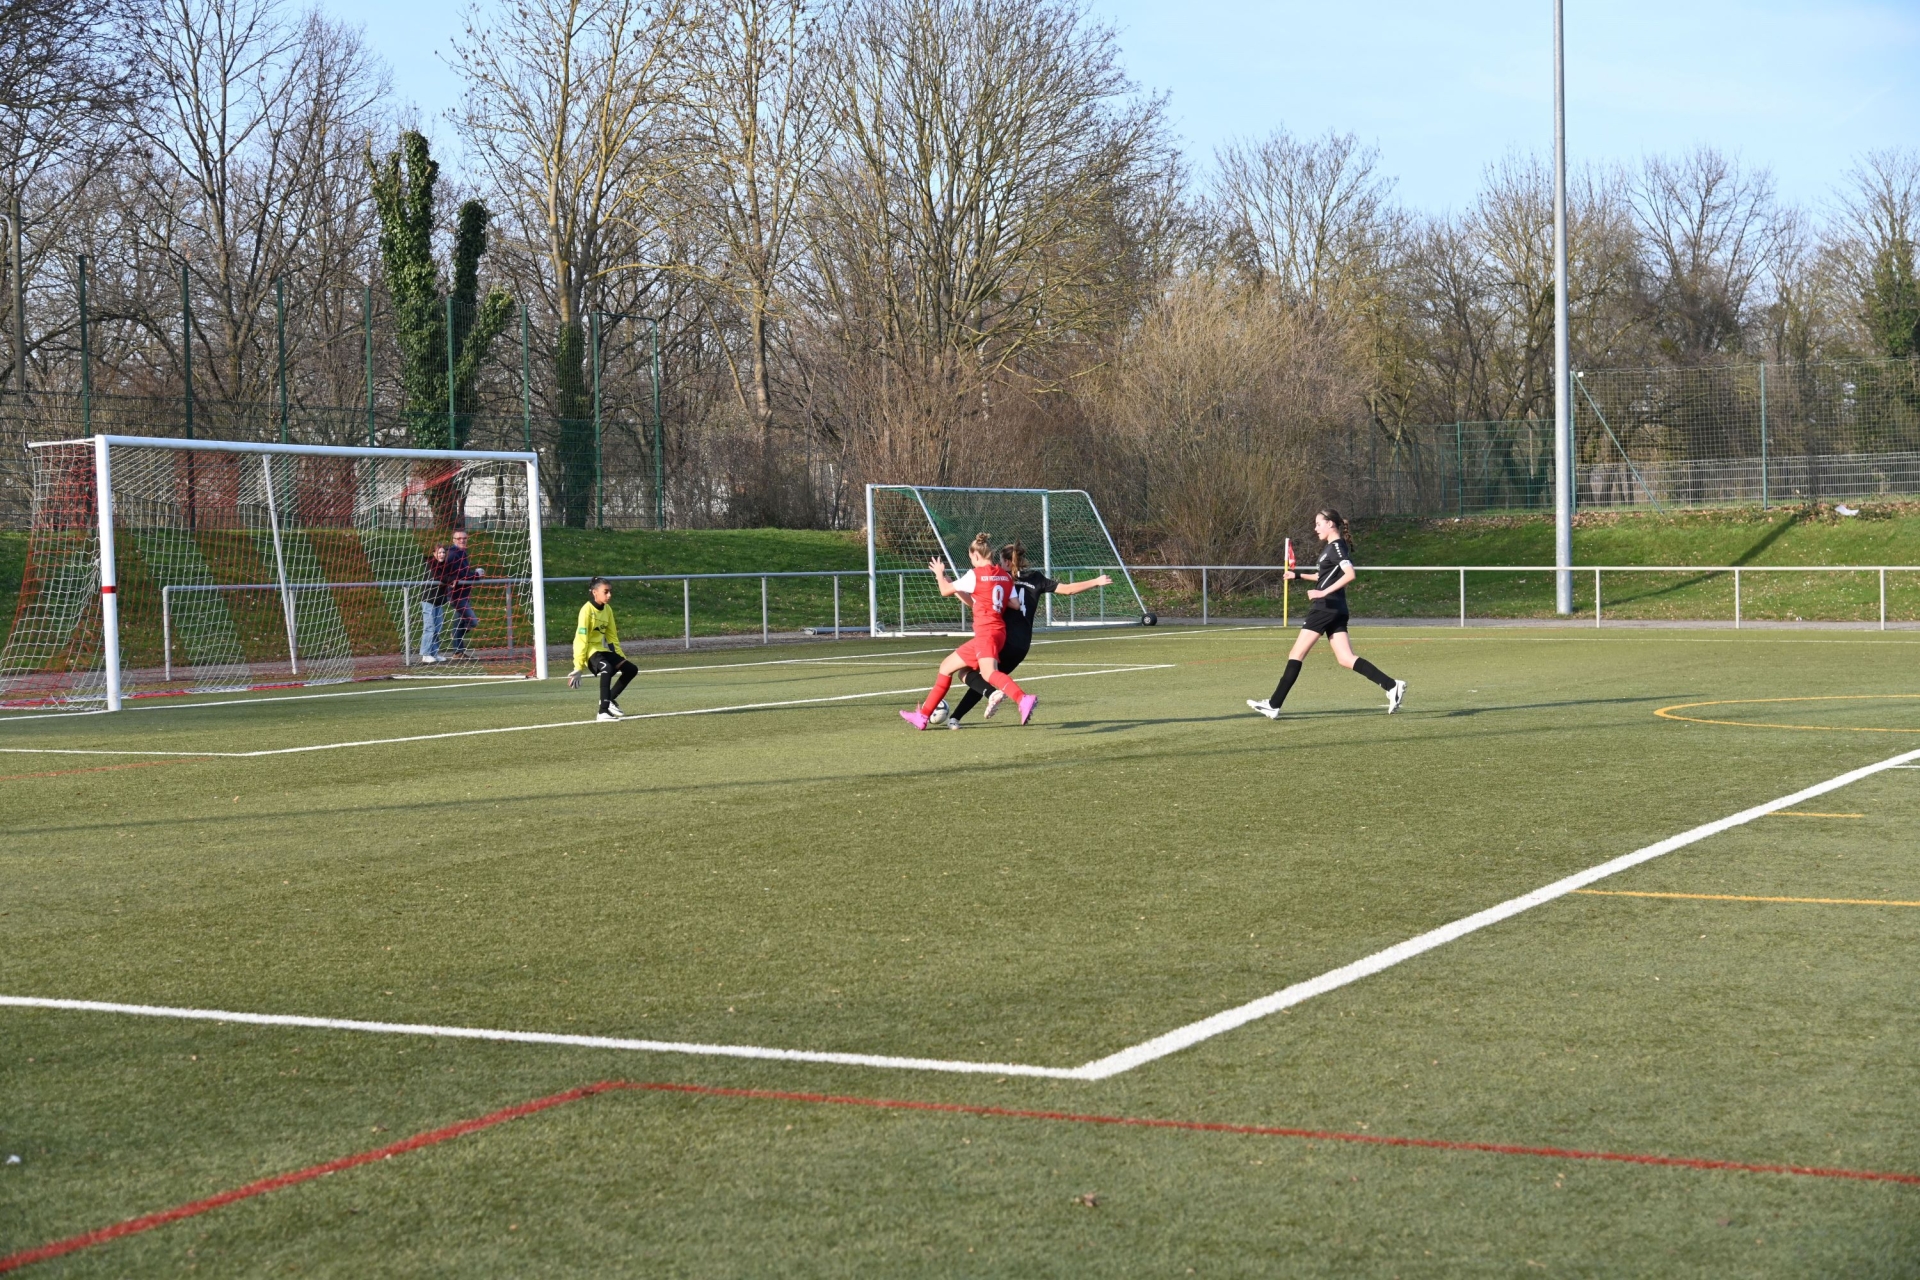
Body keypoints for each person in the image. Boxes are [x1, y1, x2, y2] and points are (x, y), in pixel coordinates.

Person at [1247, 508, 1406, 720]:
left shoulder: (1337, 546)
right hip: (1336, 608)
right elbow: (1322, 576)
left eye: (1318, 524)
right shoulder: (1331, 548)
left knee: (1296, 654)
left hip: (1325, 607)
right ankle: (1392, 685)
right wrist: (1297, 576)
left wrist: (1323, 593)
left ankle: (1274, 705)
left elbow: (1350, 574)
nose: (1315, 528)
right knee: (1345, 658)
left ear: (1330, 524)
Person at [945, 542, 1111, 728]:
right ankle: (959, 716)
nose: (997, 564)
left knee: (970, 673)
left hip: (1001, 639)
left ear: (1007, 562)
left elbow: (975, 603)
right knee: (988, 676)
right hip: (1022, 645)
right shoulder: (1036, 578)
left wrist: (953, 587)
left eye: (1000, 561)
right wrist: (1096, 581)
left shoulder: (1000, 578)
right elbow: (1068, 589)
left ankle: (980, 705)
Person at [900, 533, 1039, 729]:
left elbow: (944, 591)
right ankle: (922, 716)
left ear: (975, 555)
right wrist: (991, 599)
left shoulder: (975, 574)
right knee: (947, 667)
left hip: (986, 633)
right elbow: (1015, 604)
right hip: (999, 632)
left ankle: (1022, 698)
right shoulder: (1005, 576)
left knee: (989, 673)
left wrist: (939, 574)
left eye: (970, 557)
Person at [569, 576, 638, 722]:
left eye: (610, 592)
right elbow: (581, 639)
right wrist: (578, 666)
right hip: (589, 651)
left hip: (601, 649)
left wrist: (620, 657)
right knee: (607, 668)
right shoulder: (586, 610)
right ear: (595, 592)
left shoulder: (607, 609)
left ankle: (609, 698)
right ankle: (602, 712)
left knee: (631, 669)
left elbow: (612, 637)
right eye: (605, 592)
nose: (609, 595)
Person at [443, 528, 486, 656]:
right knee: (472, 621)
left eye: (464, 538)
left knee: (460, 621)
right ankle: (455, 635)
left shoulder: (462, 553)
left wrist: (474, 573)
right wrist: (477, 575)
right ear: (453, 540)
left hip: (464, 593)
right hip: (456, 595)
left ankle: (458, 652)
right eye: (459, 538)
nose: (462, 540)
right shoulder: (453, 554)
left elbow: (464, 573)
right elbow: (461, 576)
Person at [419, 543, 452, 664]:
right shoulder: (430, 564)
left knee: (438, 628)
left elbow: (453, 575)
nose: (442, 554)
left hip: (439, 601)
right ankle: (425, 654)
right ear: (434, 554)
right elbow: (439, 577)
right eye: (439, 552)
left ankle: (434, 653)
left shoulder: (446, 565)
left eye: (443, 552)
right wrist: (451, 580)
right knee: (429, 627)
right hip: (428, 600)